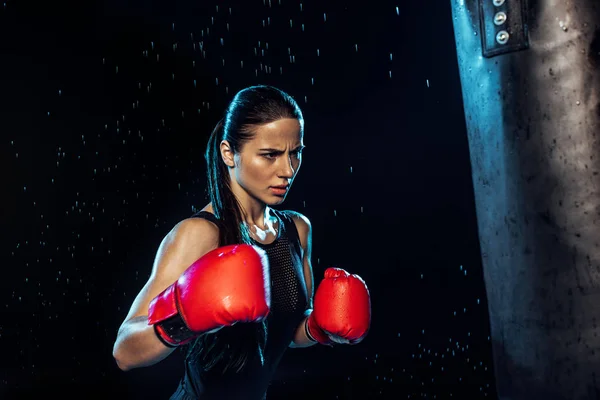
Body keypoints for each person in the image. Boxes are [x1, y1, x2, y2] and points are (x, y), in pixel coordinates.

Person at [112, 85, 371, 399]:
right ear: (228, 153)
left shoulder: (297, 229)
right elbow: (124, 351)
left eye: (295, 153)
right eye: (270, 155)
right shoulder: (200, 234)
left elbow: (288, 333)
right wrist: (184, 318)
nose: (287, 170)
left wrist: (319, 327)